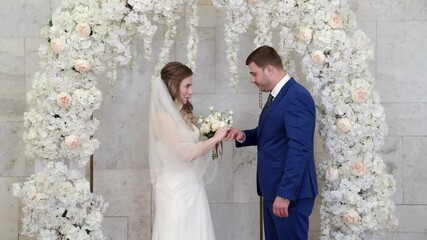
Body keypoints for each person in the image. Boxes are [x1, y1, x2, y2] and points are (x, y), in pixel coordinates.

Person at [226, 46, 318, 240]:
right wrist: (243, 135)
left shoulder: (296, 96)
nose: (252, 79)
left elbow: (299, 148)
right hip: (274, 191)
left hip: (289, 196)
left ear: (269, 69)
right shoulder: (278, 95)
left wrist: (285, 194)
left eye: (254, 74)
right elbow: (272, 133)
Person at [149, 62, 229, 240]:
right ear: (173, 85)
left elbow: (191, 148)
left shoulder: (181, 113)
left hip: (191, 183)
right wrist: (214, 138)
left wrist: (212, 140)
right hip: (174, 189)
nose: (191, 91)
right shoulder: (162, 116)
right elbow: (185, 154)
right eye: (187, 85)